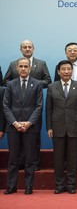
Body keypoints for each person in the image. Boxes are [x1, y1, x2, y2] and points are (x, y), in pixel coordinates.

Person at [3, 40, 52, 171]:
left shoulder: (41, 64)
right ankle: (19, 163)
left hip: (33, 104)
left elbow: (48, 81)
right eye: (24, 47)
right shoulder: (14, 64)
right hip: (16, 106)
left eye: (29, 47)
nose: (27, 49)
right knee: (16, 141)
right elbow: (5, 80)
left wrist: (34, 84)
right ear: (21, 49)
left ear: (33, 48)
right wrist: (15, 86)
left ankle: (34, 164)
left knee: (34, 138)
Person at [3, 57, 43, 195]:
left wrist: (28, 123)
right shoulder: (10, 84)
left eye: (26, 66)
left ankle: (28, 186)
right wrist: (14, 123)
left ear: (30, 68)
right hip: (12, 127)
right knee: (13, 159)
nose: (23, 69)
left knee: (29, 159)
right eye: (21, 66)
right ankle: (11, 186)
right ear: (17, 68)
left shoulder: (37, 84)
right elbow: (6, 106)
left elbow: (39, 106)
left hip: (30, 127)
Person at [46, 60, 77, 194]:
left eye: (68, 69)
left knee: (72, 158)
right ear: (58, 71)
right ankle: (59, 184)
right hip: (57, 127)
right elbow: (49, 109)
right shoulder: (52, 87)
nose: (66, 72)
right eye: (63, 69)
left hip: (74, 126)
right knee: (58, 158)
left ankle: (71, 184)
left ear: (72, 71)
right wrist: (49, 127)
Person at [54, 42, 77, 171]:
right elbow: (56, 87)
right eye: (69, 50)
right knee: (64, 138)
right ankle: (65, 162)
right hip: (63, 107)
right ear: (66, 52)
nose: (72, 52)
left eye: (75, 50)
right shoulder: (59, 67)